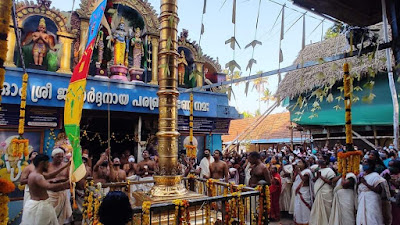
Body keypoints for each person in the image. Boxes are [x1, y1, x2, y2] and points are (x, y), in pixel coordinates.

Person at [21, 154, 70, 225]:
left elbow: (49, 176)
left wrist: (65, 166)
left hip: (39, 204)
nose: (48, 165)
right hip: (40, 207)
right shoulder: (38, 176)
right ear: (42, 164)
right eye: (47, 163)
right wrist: (64, 185)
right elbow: (49, 186)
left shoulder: (35, 174)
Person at [357, 159, 390, 225]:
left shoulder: (376, 176)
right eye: (363, 163)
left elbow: (378, 190)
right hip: (362, 199)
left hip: (372, 199)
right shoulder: (362, 176)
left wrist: (365, 183)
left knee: (372, 218)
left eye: (366, 163)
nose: (364, 165)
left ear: (371, 165)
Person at [47, 148, 72, 225]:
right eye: (58, 157)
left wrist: (59, 180)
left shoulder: (66, 166)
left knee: (61, 219)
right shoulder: (47, 166)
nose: (60, 159)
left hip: (62, 193)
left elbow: (69, 179)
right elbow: (45, 179)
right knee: (49, 217)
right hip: (50, 194)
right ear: (52, 157)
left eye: (62, 157)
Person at [309, 155, 335, 225]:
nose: (319, 160)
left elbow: (331, 182)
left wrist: (321, 177)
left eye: (321, 159)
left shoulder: (330, 171)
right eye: (319, 158)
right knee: (318, 210)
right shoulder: (318, 170)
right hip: (318, 192)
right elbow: (314, 180)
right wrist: (317, 177)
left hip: (325, 192)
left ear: (325, 161)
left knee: (327, 210)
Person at [291, 158, 313, 225]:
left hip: (304, 192)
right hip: (298, 193)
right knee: (298, 208)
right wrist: (296, 172)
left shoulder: (307, 171)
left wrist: (299, 172)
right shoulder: (299, 172)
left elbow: (304, 179)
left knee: (305, 209)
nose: (298, 164)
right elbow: (293, 180)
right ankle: (299, 222)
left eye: (300, 162)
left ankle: (307, 222)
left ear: (304, 164)